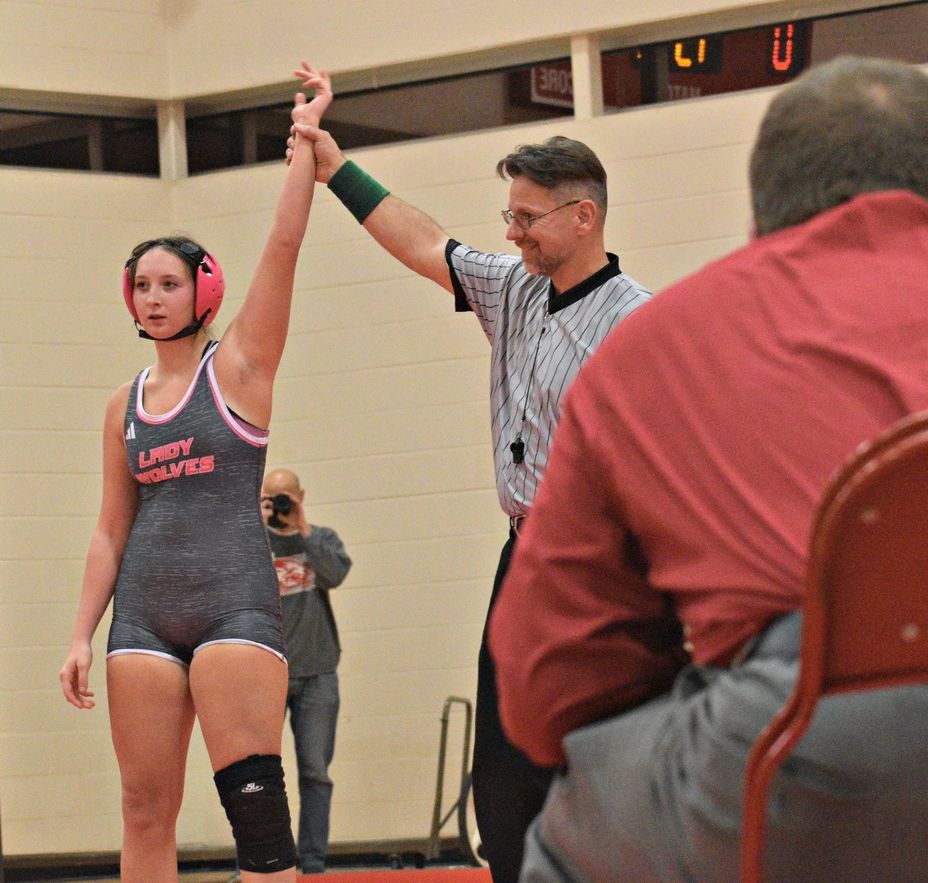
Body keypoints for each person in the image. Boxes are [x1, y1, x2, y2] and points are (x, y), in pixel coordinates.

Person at [489, 55, 928, 883]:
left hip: (809, 741)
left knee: (570, 824)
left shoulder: (654, 342)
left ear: (763, 211)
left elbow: (548, 685)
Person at [288, 121, 652, 882]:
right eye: (509, 215)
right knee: (503, 767)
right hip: (524, 554)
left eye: (528, 217)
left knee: (592, 749)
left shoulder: (635, 323)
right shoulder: (514, 287)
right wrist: (336, 169)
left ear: (583, 216)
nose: (512, 231)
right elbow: (427, 244)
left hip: (601, 566)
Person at [58, 62, 332, 883]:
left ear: (202, 291)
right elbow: (111, 529)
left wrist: (304, 144)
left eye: (169, 284)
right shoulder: (123, 405)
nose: (152, 298)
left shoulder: (240, 367)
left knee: (256, 814)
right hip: (142, 617)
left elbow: (283, 245)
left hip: (234, 607)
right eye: (141, 285)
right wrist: (79, 633)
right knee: (144, 810)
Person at [260, 467, 352, 875]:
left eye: (286, 498)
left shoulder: (322, 538)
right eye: (271, 498)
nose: (280, 505)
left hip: (318, 674)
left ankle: (312, 864)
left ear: (300, 496)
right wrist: (254, 525)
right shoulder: (252, 542)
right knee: (258, 775)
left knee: (315, 772)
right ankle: (263, 862)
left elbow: (335, 574)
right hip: (266, 676)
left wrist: (303, 528)